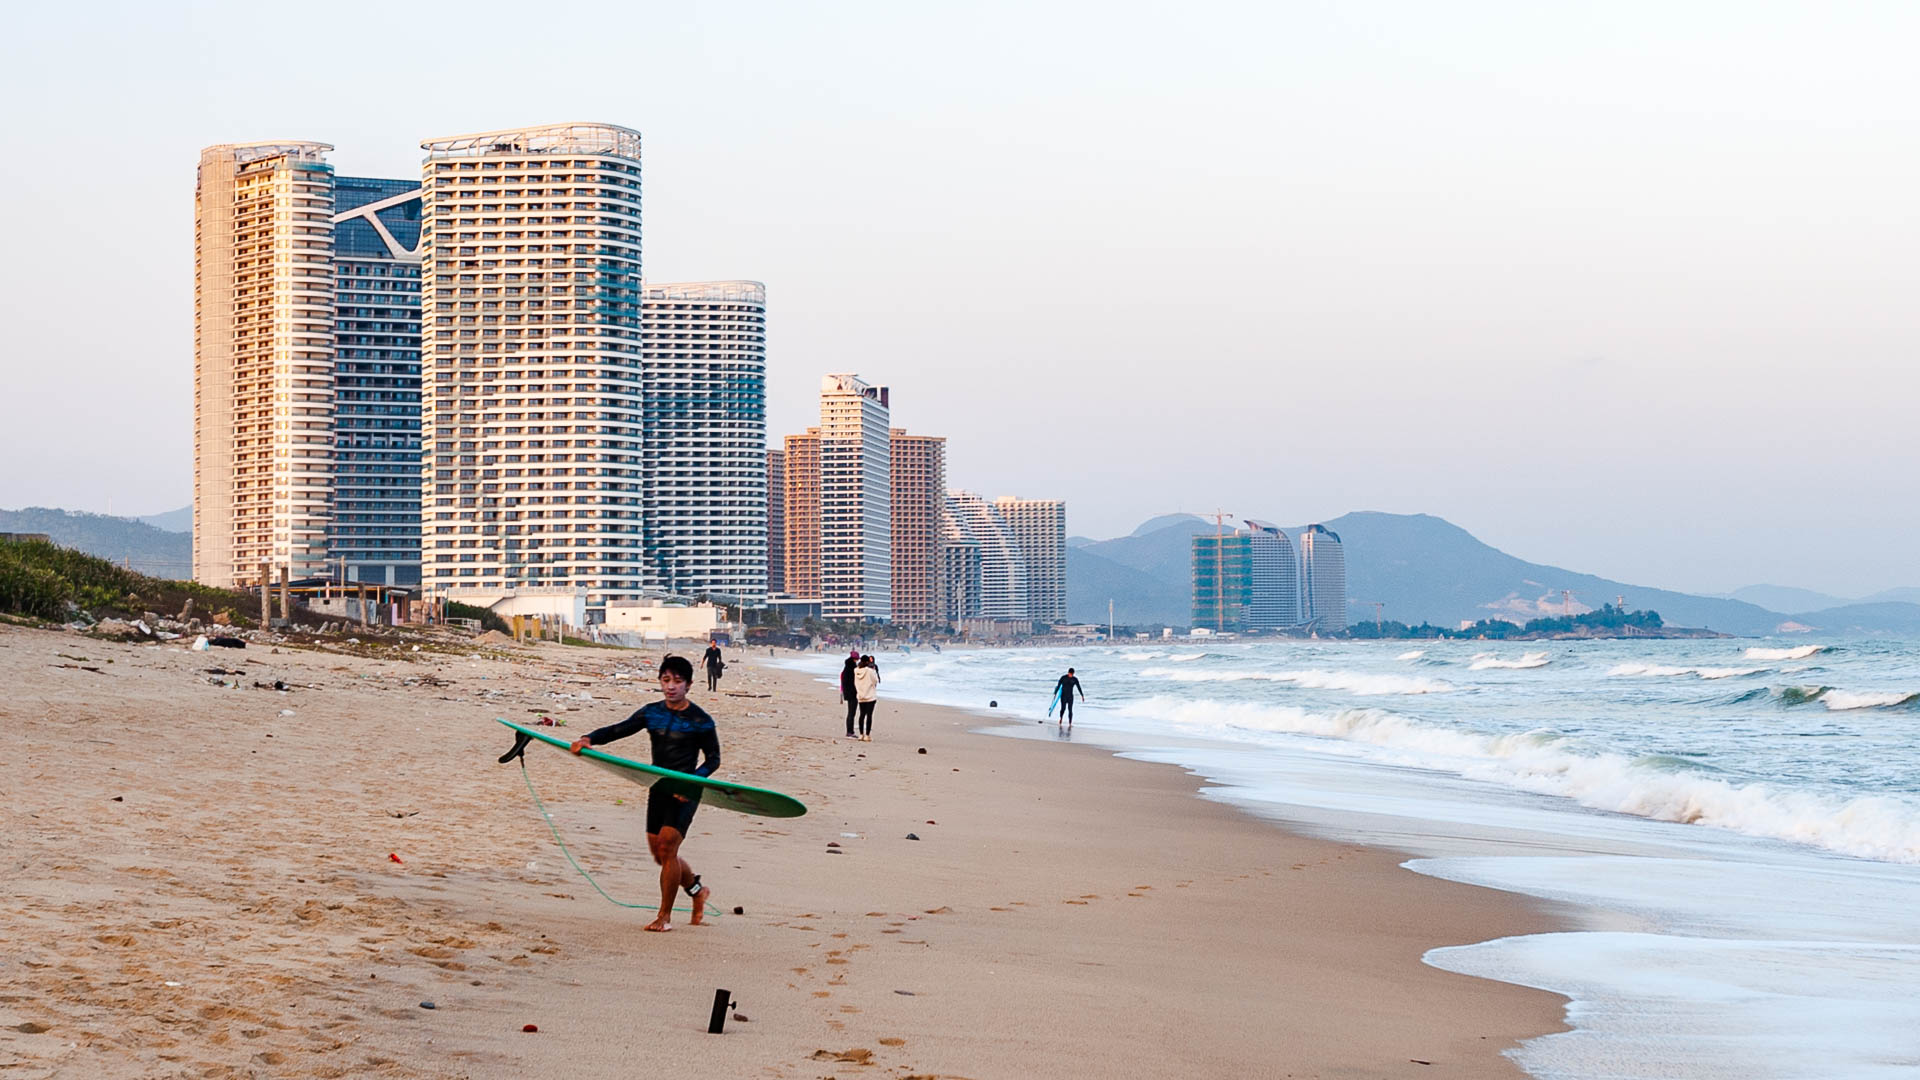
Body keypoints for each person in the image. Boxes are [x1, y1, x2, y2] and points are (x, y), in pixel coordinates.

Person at [569, 655, 718, 932]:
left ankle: (664, 917)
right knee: (660, 855)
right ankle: (697, 891)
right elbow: (620, 729)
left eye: (677, 681)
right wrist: (589, 738)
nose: (671, 686)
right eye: (666, 680)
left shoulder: (701, 720)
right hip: (659, 786)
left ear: (689, 684)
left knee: (668, 847)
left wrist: (691, 782)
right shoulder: (652, 713)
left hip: (685, 791)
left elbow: (713, 759)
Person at [854, 654, 882, 741]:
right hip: (870, 696)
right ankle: (867, 735)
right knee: (869, 715)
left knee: (862, 715)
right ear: (867, 662)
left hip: (861, 695)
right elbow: (876, 680)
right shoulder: (870, 671)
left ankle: (861, 734)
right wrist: (874, 671)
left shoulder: (856, 670)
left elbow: (855, 683)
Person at [839, 653, 860, 739]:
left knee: (850, 713)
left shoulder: (847, 668)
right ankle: (850, 732)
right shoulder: (852, 669)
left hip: (848, 693)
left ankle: (850, 731)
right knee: (851, 713)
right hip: (852, 693)